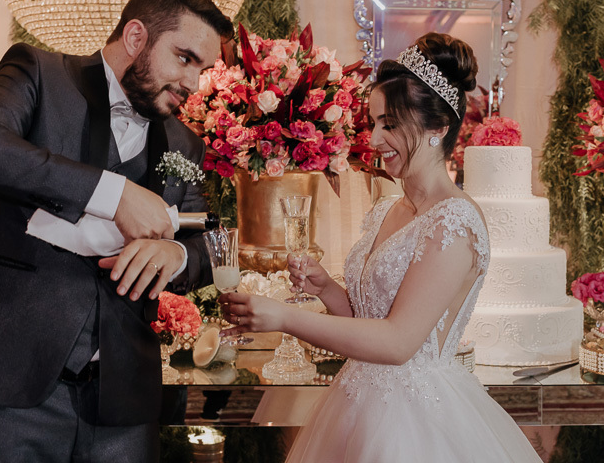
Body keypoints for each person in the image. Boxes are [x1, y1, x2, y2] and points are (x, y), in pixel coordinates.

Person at [0, 0, 233, 462]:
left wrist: (174, 253)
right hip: (7, 387)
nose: (193, 82)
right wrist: (112, 192)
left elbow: (204, 251)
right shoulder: (39, 73)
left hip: (123, 405)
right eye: (185, 58)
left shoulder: (186, 143)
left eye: (203, 68)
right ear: (135, 37)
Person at [220, 33, 543, 462]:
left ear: (438, 128)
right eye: (373, 123)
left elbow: (396, 342)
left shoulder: (455, 222)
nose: (374, 139)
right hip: (356, 401)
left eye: (390, 124)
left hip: (417, 423)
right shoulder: (387, 209)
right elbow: (365, 322)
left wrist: (284, 316)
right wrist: (327, 290)